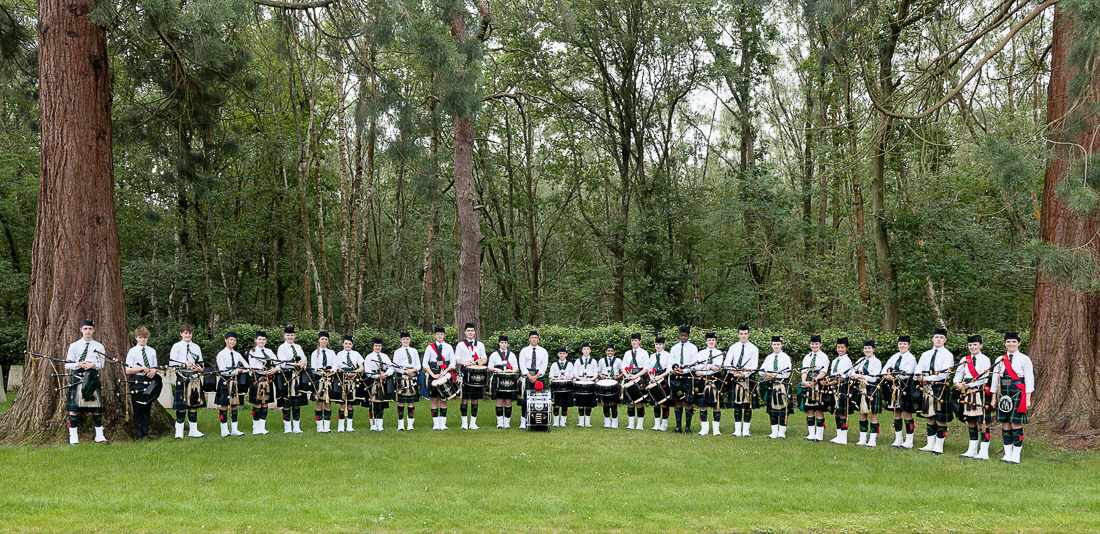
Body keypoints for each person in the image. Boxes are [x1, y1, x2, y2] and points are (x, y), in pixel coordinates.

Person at [990, 332, 1033, 464]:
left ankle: (1016, 455)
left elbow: (1029, 378)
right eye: (1008, 341)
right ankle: (1007, 454)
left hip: (1018, 392)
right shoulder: (999, 359)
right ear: (1005, 343)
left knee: (1015, 423)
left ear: (1019, 343)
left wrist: (1027, 398)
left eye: (1014, 342)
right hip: (1003, 392)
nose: (1011, 344)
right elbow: (994, 379)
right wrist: (993, 397)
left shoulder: (1025, 359)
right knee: (1005, 423)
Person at [65, 319, 107, 445]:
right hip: (77, 378)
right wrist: (78, 364)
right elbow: (68, 364)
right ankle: (73, 436)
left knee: (96, 408)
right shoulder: (74, 346)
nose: (88, 331)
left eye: (90, 329)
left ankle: (99, 435)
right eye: (85, 329)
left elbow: (102, 364)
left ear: (94, 330)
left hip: (92, 378)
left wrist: (93, 364)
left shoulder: (99, 346)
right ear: (81, 330)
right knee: (74, 409)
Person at [953, 334, 992, 459]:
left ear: (981, 345)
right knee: (970, 421)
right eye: (970, 345)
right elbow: (958, 374)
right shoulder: (965, 359)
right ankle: (972, 450)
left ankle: (984, 451)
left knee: (982, 423)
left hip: (979, 391)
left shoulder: (985, 359)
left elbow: (984, 379)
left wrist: (968, 385)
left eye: (975, 345)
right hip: (967, 393)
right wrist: (957, 383)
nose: (972, 347)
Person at [916, 328, 953, 454]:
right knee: (929, 415)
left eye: (941, 337)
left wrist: (925, 377)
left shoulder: (948, 355)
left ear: (945, 340)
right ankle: (930, 444)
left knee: (941, 417)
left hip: (940, 386)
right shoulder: (925, 354)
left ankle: (939, 445)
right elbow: (918, 369)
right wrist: (919, 376)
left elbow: (943, 374)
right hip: (927, 387)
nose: (938, 339)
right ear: (932, 339)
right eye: (936, 337)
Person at [169, 323, 205, 439]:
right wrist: (184, 364)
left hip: (194, 378)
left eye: (189, 333)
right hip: (182, 377)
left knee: (193, 405)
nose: (188, 335)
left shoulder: (196, 347)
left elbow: (200, 362)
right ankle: (178, 432)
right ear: (181, 334)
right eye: (185, 333)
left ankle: (193, 431)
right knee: (181, 406)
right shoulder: (176, 347)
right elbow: (172, 364)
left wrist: (200, 369)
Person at [125, 326, 161, 441]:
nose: (143, 340)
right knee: (137, 409)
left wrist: (154, 370)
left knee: (147, 408)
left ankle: (145, 434)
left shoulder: (152, 351)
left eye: (145, 338)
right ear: (136, 338)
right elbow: (128, 370)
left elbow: (155, 366)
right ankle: (138, 435)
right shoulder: (132, 352)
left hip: (149, 381)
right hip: (137, 381)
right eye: (140, 337)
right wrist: (141, 368)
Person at [882, 334, 917, 448]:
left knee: (907, 412)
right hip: (894, 387)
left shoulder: (911, 358)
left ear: (909, 345)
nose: (902, 346)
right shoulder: (894, 357)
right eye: (900, 344)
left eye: (904, 344)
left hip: (905, 386)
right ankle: (898, 439)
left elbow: (907, 372)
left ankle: (909, 440)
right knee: (896, 412)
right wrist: (887, 376)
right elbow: (884, 370)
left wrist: (893, 374)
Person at [724, 324, 759, 437]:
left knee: (748, 406)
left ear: (748, 334)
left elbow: (754, 365)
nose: (743, 336)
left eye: (745, 333)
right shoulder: (733, 347)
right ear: (738, 334)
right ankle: (737, 431)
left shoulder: (754, 349)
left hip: (748, 378)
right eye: (741, 333)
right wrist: (733, 372)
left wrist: (744, 374)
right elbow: (727, 362)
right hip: (735, 378)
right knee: (737, 406)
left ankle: (746, 431)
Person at [454, 322, 488, 430]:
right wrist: (464, 363)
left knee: (475, 399)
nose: (470, 332)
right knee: (464, 399)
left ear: (475, 332)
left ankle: (473, 423)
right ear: (465, 332)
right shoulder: (460, 345)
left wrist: (482, 362)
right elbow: (456, 359)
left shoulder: (480, 345)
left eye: (472, 331)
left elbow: (484, 358)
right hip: (465, 372)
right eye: (468, 331)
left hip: (477, 374)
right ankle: (464, 423)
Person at [214, 331, 248, 437]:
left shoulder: (237, 354)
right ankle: (224, 430)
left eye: (234, 340)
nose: (232, 342)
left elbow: (247, 367)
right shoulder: (221, 354)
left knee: (234, 406)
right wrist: (237, 371)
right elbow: (222, 371)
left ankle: (234, 429)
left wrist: (240, 370)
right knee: (224, 406)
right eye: (230, 339)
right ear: (226, 340)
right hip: (225, 381)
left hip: (235, 382)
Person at [422, 326, 456, 430]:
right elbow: (424, 363)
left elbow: (453, 363)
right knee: (434, 399)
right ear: (435, 335)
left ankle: (443, 424)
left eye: (441, 334)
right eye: (438, 334)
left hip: (445, 374)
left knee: (444, 399)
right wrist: (432, 375)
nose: (440, 336)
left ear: (444, 335)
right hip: (434, 373)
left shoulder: (449, 347)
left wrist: (445, 371)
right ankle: (435, 424)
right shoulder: (430, 347)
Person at [276, 325, 308, 434]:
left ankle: (296, 427)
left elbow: (304, 359)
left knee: (296, 402)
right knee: (287, 403)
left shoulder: (298, 347)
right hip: (287, 376)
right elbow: (282, 363)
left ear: (295, 335)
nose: (290, 337)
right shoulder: (282, 347)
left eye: (292, 335)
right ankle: (287, 428)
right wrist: (296, 364)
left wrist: (303, 363)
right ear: (284, 335)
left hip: (298, 376)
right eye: (288, 335)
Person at [851, 340, 883, 447]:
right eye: (865, 348)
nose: (867, 350)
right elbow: (851, 372)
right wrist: (859, 378)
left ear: (873, 349)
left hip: (872, 389)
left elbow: (874, 377)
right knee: (862, 413)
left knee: (872, 414)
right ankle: (862, 439)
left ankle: (872, 440)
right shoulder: (861, 360)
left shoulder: (877, 362)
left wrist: (860, 376)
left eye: (869, 348)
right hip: (861, 388)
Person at [668, 326, 698, 434]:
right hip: (675, 377)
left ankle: (687, 428)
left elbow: (694, 365)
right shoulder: (674, 348)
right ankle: (678, 427)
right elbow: (669, 363)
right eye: (681, 335)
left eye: (685, 335)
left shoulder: (693, 348)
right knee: (677, 400)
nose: (683, 337)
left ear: (688, 336)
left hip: (687, 376)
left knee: (688, 401)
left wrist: (684, 371)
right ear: (679, 335)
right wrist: (671, 371)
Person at [761, 336, 792, 439]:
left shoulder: (786, 358)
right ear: (771, 345)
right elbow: (761, 371)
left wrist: (774, 375)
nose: (776, 346)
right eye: (774, 344)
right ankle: (774, 432)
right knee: (772, 410)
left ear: (782, 345)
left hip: (782, 385)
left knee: (783, 409)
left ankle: (782, 432)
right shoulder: (768, 358)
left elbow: (787, 374)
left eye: (778, 344)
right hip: (771, 385)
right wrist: (766, 374)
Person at [246, 331, 277, 435]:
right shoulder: (252, 352)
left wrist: (274, 370)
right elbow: (252, 366)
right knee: (257, 403)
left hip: (268, 378)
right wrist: (264, 370)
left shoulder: (269, 351)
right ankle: (255, 427)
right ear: (255, 340)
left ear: (266, 340)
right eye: (259, 339)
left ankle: (262, 427)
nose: (261, 341)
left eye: (263, 339)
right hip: (257, 378)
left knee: (265, 403)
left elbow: (277, 362)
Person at [800, 334, 830, 442]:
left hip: (818, 384)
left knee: (819, 409)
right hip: (808, 383)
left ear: (820, 344)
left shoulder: (824, 357)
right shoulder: (807, 357)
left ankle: (819, 435)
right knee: (810, 409)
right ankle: (811, 434)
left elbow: (823, 371)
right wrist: (804, 381)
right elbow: (804, 371)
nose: (814, 346)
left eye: (816, 344)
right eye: (812, 344)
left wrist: (814, 381)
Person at [518, 330, 548, 430]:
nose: (534, 339)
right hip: (527, 377)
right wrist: (529, 376)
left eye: (536, 338)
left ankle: (541, 420)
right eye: (532, 338)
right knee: (525, 399)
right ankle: (523, 421)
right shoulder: (524, 351)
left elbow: (544, 366)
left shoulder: (543, 351)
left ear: (538, 339)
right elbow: (522, 365)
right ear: (529, 339)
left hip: (539, 377)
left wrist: (536, 376)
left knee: (540, 399)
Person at [825, 337, 854, 444]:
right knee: (836, 411)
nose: (840, 349)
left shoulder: (847, 360)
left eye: (842, 347)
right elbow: (833, 375)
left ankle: (844, 437)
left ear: (847, 348)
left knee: (842, 413)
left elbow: (841, 377)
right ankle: (839, 435)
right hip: (834, 387)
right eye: (838, 347)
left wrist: (829, 382)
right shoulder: (835, 360)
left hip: (842, 387)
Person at [694, 331, 723, 436]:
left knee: (716, 405)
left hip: (715, 380)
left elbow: (717, 369)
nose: (711, 342)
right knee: (703, 405)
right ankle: (704, 429)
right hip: (703, 381)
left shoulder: (719, 353)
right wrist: (709, 366)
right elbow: (697, 367)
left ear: (716, 341)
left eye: (713, 340)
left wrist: (703, 371)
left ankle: (716, 430)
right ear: (706, 341)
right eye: (709, 340)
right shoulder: (701, 353)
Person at [392, 331, 421, 431]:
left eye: (407, 339)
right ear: (401, 340)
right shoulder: (397, 352)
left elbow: (419, 365)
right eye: (403, 339)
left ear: (410, 339)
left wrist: (412, 370)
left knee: (411, 401)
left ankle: (410, 424)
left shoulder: (414, 351)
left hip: (412, 375)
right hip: (401, 376)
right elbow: (395, 366)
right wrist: (405, 371)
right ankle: (400, 424)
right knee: (401, 401)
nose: (405, 341)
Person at [333, 335, 363, 432]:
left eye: (349, 344)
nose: (347, 345)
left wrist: (355, 372)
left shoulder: (356, 354)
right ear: (343, 344)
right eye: (346, 343)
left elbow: (361, 367)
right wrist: (345, 372)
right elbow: (338, 367)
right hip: (343, 378)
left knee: (350, 404)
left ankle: (349, 426)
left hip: (354, 379)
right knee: (342, 404)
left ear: (352, 344)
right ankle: (340, 426)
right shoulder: (339, 354)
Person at [488, 334, 519, 428]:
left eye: (505, 343)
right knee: (499, 401)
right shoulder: (494, 355)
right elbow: (489, 368)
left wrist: (510, 370)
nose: (504, 344)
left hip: (510, 381)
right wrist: (497, 370)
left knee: (508, 402)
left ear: (507, 344)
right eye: (502, 343)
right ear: (499, 343)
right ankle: (500, 423)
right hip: (498, 380)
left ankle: (507, 423)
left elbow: (516, 369)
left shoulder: (512, 355)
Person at [310, 331, 337, 433]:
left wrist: (331, 371)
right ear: (319, 340)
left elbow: (335, 364)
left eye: (326, 339)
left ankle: (327, 426)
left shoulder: (331, 352)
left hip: (330, 379)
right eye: (322, 339)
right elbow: (313, 368)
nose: (324, 341)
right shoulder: (314, 353)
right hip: (319, 379)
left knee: (328, 402)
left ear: (328, 341)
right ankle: (319, 427)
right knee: (319, 403)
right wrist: (322, 372)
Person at [622, 332, 650, 430]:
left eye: (636, 341)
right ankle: (630, 424)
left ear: (640, 341)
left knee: (639, 401)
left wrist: (636, 376)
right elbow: (623, 367)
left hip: (639, 377)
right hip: (629, 377)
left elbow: (646, 368)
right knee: (630, 401)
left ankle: (640, 425)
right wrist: (627, 375)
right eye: (632, 341)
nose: (634, 342)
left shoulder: (644, 353)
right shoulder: (627, 353)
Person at [364, 337, 393, 431]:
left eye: (379, 346)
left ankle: (380, 425)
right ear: (373, 346)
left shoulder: (385, 356)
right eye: (376, 345)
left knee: (381, 403)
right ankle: (373, 425)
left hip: (383, 381)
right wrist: (377, 376)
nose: (378, 347)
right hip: (373, 381)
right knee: (372, 403)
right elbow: (367, 370)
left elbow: (391, 367)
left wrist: (386, 374)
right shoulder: (369, 357)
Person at [573, 342, 600, 428]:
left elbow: (596, 374)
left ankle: (587, 422)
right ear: (582, 350)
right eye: (584, 349)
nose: (586, 350)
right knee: (581, 403)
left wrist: (590, 379)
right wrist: (580, 378)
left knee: (589, 403)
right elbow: (574, 373)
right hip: (580, 382)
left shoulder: (594, 361)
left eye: (587, 349)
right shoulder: (578, 360)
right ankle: (581, 422)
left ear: (590, 351)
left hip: (590, 382)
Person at [648, 336, 672, 431]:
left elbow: (669, 369)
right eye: (656, 344)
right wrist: (651, 377)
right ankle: (656, 424)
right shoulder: (652, 356)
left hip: (663, 379)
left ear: (664, 345)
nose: (658, 346)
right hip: (654, 379)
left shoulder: (667, 355)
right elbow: (649, 368)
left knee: (664, 402)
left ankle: (664, 425)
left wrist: (660, 376)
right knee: (656, 402)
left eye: (660, 344)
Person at [598, 343, 623, 428]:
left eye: (612, 351)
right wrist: (601, 375)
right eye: (608, 351)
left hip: (613, 382)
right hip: (605, 382)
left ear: (614, 352)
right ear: (605, 351)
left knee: (613, 402)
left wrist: (618, 376)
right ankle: (607, 421)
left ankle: (615, 421)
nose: (610, 352)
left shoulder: (618, 361)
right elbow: (599, 371)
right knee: (605, 402)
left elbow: (623, 371)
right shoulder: (601, 360)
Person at [548, 346, 574, 427]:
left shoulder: (570, 364)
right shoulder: (554, 364)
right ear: (558, 354)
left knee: (564, 404)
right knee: (556, 404)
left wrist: (566, 377)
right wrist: (556, 378)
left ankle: (563, 422)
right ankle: (556, 422)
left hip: (566, 386)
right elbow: (550, 376)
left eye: (563, 353)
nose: (562, 355)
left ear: (566, 354)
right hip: (557, 386)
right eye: (560, 353)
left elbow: (573, 376)